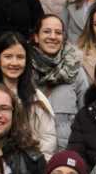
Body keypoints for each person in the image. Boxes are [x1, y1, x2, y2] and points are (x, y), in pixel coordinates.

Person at [31, 14, 88, 149]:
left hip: (65, 152)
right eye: (47, 31)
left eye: (58, 33)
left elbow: (86, 116)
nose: (53, 37)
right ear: (36, 37)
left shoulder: (75, 71)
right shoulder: (25, 70)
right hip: (32, 152)